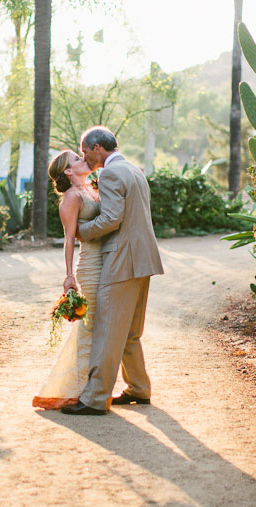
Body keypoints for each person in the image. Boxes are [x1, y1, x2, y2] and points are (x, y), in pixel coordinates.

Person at [61, 126, 164, 416]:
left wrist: (80, 231)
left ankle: (95, 399)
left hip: (122, 260)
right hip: (143, 260)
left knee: (107, 330)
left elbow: (111, 219)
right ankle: (138, 389)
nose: (85, 158)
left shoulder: (110, 173)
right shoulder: (134, 169)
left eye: (84, 152)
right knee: (131, 332)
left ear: (96, 148)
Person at [32, 149, 103, 410]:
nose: (82, 160)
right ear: (68, 172)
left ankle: (94, 386)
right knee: (89, 326)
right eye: (76, 159)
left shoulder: (92, 188)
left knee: (100, 326)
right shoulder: (71, 198)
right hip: (91, 265)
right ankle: (77, 390)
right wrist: (69, 275)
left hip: (107, 262)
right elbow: (69, 238)